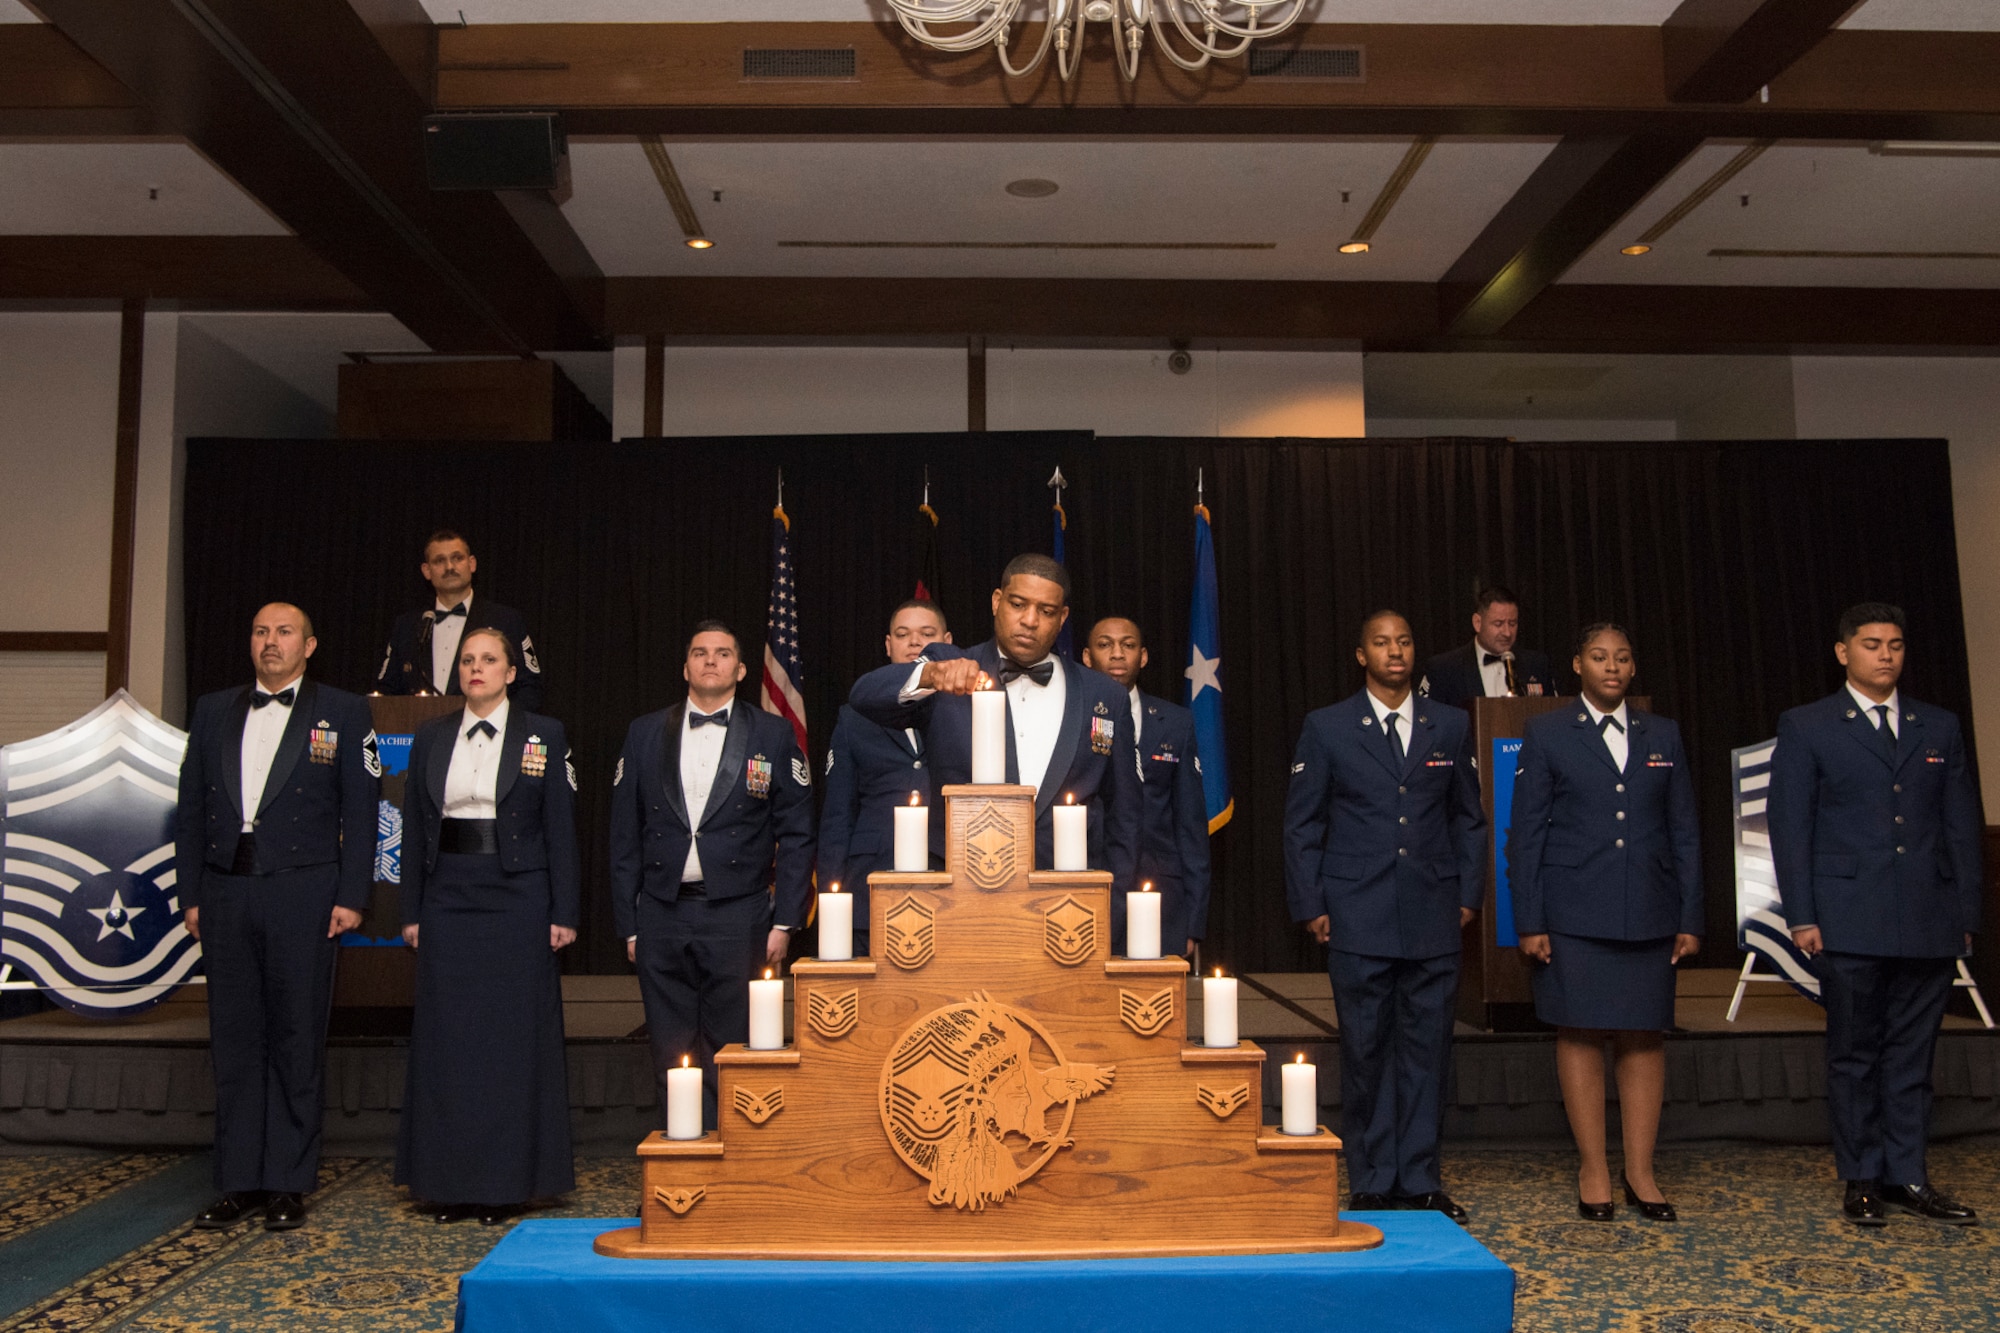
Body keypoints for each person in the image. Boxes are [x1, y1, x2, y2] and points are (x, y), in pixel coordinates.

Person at [1768, 602, 1982, 1226]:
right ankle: (1861, 1177)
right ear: (1843, 653)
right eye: (1870, 644)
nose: (1885, 655)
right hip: (1845, 917)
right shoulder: (1808, 726)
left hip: (1929, 918)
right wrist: (1801, 914)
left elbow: (1961, 826)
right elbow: (1790, 827)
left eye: (1894, 644)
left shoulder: (1937, 726)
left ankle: (1908, 1177)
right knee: (1855, 1054)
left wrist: (1966, 912)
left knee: (1914, 1057)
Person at [174, 602, 377, 1232]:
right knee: (236, 1039)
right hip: (226, 890)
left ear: (309, 645)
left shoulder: (342, 711)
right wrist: (191, 894)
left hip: (305, 893)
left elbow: (364, 809)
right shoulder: (213, 709)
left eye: (284, 632)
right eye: (260, 631)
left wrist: (351, 896)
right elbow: (186, 809)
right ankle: (239, 1181)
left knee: (295, 1036)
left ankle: (288, 1182)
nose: (270, 642)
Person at [1284, 610, 1483, 1222]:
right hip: (1356, 912)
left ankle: (1420, 1178)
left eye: (1403, 642)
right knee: (1366, 1049)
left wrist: (1468, 896)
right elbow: (1302, 824)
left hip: (1433, 913)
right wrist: (1312, 903)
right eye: (1381, 642)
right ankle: (1371, 1179)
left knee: (1427, 1051)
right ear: (1360, 655)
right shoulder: (1327, 727)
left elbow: (1469, 819)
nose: (1394, 651)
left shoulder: (1450, 725)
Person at [1506, 623, 1702, 1222]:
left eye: (1621, 657)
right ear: (1578, 665)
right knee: (1581, 1034)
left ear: (1633, 668)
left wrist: (1691, 915)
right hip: (1572, 913)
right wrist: (1530, 920)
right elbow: (1527, 835)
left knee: (1644, 1037)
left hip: (1649, 910)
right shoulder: (1546, 732)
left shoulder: (1662, 732)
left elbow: (1685, 831)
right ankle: (1594, 1167)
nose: (1611, 666)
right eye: (1599, 656)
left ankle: (1640, 1170)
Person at [849, 554, 1139, 939]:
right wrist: (931, 674)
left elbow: (1125, 816)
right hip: (957, 906)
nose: (1030, 620)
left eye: (1046, 610)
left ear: (1063, 618)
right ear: (996, 602)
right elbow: (864, 695)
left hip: (1065, 910)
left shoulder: (1104, 696)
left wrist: (1110, 912)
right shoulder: (949, 666)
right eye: (1018, 605)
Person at [395, 627, 579, 1226]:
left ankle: (506, 1186)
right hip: (448, 895)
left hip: (518, 897)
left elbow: (562, 828)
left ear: (510, 672)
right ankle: (447, 1184)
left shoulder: (543, 734)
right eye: (468, 660)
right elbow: (416, 830)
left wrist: (564, 911)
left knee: (510, 1044)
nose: (477, 669)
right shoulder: (430, 736)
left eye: (489, 660)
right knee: (450, 1044)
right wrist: (412, 909)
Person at [609, 621, 814, 1129]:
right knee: (670, 1053)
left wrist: (785, 922)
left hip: (738, 915)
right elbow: (622, 834)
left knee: (734, 1049)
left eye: (722, 654)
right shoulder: (644, 732)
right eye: (699, 653)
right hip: (661, 913)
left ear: (741, 670)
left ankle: (732, 1171)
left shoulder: (772, 733)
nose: (710, 661)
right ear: (685, 667)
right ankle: (682, 1166)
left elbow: (798, 833)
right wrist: (629, 925)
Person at [818, 600, 950, 954]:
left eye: (927, 635)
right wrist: (831, 896)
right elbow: (837, 817)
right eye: (903, 635)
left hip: (949, 881)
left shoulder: (966, 710)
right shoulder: (854, 716)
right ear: (888, 645)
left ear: (947, 642)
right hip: (870, 884)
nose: (914, 643)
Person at [1081, 616, 1211, 958]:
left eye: (1128, 645)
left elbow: (1191, 824)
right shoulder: (1073, 719)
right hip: (1092, 885)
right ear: (1086, 656)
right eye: (1105, 644)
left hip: (1159, 894)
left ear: (1144, 656)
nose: (1117, 654)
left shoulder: (1176, 721)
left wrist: (1193, 919)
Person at [376, 529, 545, 711]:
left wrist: (503, 725)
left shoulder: (505, 620)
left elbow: (529, 686)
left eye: (457, 558)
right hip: (419, 732)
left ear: (471, 564)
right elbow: (386, 690)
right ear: (426, 570)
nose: (449, 567)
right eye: (439, 561)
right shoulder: (407, 626)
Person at [1418, 585, 1554, 709]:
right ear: (1477, 623)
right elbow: (1429, 721)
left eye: (1512, 623)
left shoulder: (1537, 665)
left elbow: (1551, 716)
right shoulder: (1444, 669)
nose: (1507, 632)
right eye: (1498, 624)